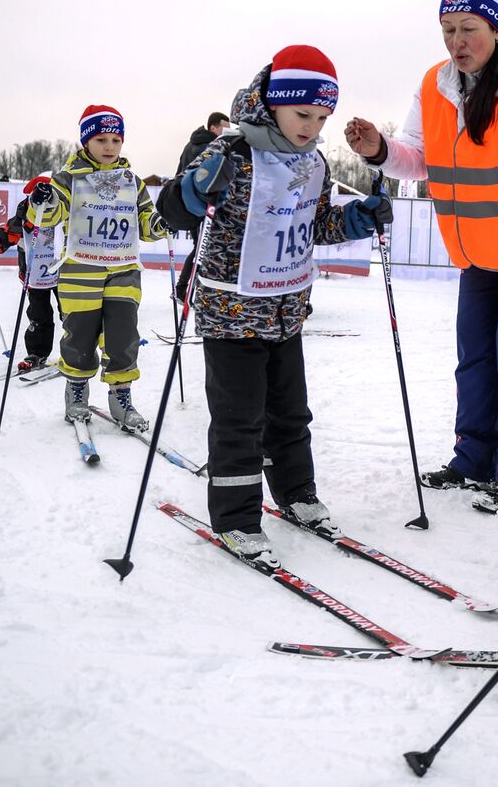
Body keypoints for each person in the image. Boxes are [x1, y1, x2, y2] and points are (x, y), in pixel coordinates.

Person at [344, 0, 498, 515]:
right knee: (474, 358)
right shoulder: (436, 84)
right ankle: (473, 458)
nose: (458, 41)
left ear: (495, 29)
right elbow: (418, 155)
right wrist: (381, 149)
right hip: (478, 250)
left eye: (470, 29)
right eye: (449, 30)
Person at [158, 45, 389, 566]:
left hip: (286, 312)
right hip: (230, 311)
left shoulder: (314, 162)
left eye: (321, 117)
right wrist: (194, 192)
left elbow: (315, 224)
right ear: (274, 103)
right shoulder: (232, 152)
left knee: (290, 414)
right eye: (302, 114)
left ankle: (297, 493)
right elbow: (170, 208)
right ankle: (237, 519)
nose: (311, 126)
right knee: (239, 421)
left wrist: (354, 220)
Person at [28, 106, 169, 430]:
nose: (110, 146)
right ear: (86, 141)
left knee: (122, 336)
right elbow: (46, 220)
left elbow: (146, 225)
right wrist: (43, 200)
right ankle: (76, 392)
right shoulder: (68, 179)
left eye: (116, 139)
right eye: (101, 139)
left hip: (123, 270)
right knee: (80, 336)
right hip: (80, 271)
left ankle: (121, 397)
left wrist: (161, 222)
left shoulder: (132, 182)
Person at [0, 174, 61, 370]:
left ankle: (78, 352)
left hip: (64, 273)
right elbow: (1, 238)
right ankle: (36, 353)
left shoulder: (65, 213)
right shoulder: (24, 215)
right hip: (34, 275)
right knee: (38, 315)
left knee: (72, 313)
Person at [172, 112, 233, 304]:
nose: (228, 131)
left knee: (199, 247)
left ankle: (186, 289)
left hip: (191, 204)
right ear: (213, 127)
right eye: (225, 127)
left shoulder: (191, 144)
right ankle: (184, 289)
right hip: (201, 206)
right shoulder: (209, 147)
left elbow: (179, 172)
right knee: (201, 248)